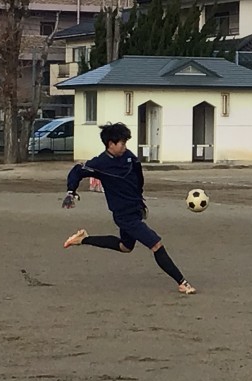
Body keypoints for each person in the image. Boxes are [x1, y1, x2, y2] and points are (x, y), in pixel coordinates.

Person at [61, 122, 196, 294]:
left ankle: (83, 239)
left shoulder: (130, 157)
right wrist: (71, 191)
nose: (125, 146)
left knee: (125, 247)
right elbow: (77, 170)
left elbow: (138, 179)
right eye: (122, 143)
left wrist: (139, 201)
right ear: (111, 144)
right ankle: (182, 282)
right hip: (124, 216)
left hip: (134, 210)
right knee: (156, 244)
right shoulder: (100, 163)